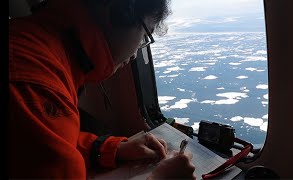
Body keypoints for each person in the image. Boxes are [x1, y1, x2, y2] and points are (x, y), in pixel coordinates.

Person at [9, 0, 196, 179]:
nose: (135, 52)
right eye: (145, 35)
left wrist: (110, 150)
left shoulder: (36, 45)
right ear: (120, 12)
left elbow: (53, 144)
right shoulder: (33, 84)